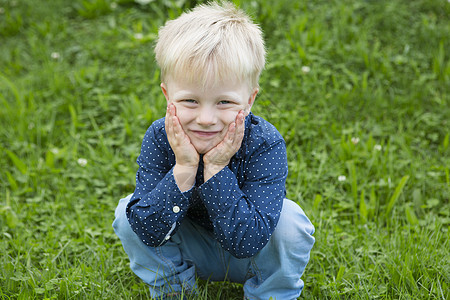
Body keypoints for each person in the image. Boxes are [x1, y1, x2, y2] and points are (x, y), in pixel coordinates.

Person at [112, 2, 315, 299]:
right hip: (191, 250)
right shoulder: (160, 137)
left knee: (291, 223)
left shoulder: (264, 143)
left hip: (250, 254)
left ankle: (270, 293)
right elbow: (146, 232)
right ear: (168, 94)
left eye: (224, 102)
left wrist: (217, 169)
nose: (206, 119)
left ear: (249, 100)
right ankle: (176, 292)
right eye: (190, 101)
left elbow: (249, 242)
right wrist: (183, 168)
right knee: (127, 213)